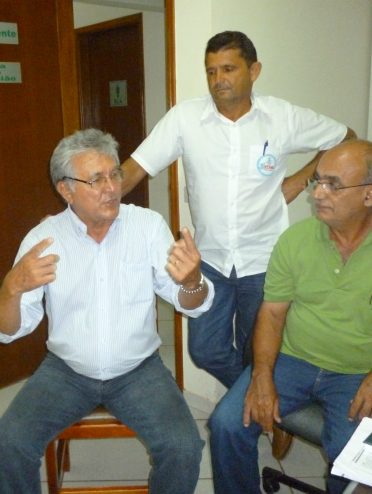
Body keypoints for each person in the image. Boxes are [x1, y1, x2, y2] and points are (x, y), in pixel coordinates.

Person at [121, 30, 357, 389]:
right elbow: (135, 168)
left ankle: (259, 408)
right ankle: (261, 400)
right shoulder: (185, 118)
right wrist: (90, 199)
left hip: (264, 261)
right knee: (204, 350)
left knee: (257, 350)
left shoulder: (281, 116)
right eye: (212, 71)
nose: (219, 80)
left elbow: (346, 137)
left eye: (228, 69)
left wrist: (303, 178)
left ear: (254, 70)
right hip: (211, 260)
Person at [0, 128, 214, 494]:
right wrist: (11, 289)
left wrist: (191, 281)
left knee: (184, 446)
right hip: (66, 372)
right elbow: (5, 330)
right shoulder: (43, 240)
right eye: (96, 179)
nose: (111, 188)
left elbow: (194, 303)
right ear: (66, 190)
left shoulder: (148, 227)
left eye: (114, 175)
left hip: (139, 370)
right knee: (7, 445)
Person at [208, 139, 372, 494]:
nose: (317, 194)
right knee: (225, 424)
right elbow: (272, 314)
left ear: (370, 194)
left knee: (355, 461)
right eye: (318, 182)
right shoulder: (295, 240)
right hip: (293, 361)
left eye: (333, 184)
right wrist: (262, 374)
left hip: (359, 372)